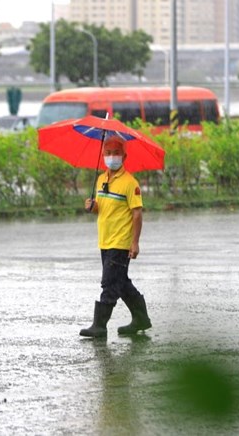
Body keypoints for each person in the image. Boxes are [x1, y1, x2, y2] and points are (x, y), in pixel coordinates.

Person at [80, 135, 152, 338]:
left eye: (116, 153)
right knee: (120, 282)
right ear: (103, 155)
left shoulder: (130, 183)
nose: (112, 157)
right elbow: (101, 209)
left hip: (120, 242)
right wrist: (92, 207)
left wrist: (135, 242)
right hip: (104, 239)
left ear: (124, 156)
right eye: (108, 153)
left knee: (110, 283)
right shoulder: (101, 179)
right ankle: (141, 318)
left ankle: (99, 325)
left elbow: (137, 213)